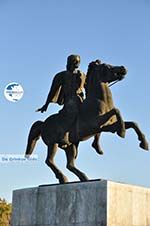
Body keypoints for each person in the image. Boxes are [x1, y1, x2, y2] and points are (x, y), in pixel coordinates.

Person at [37, 55, 85, 145]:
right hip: (69, 102)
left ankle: (96, 141)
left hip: (81, 100)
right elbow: (53, 91)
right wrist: (46, 105)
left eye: (75, 62)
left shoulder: (82, 75)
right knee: (72, 111)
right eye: (72, 62)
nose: (73, 64)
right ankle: (65, 133)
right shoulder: (62, 75)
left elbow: (91, 84)